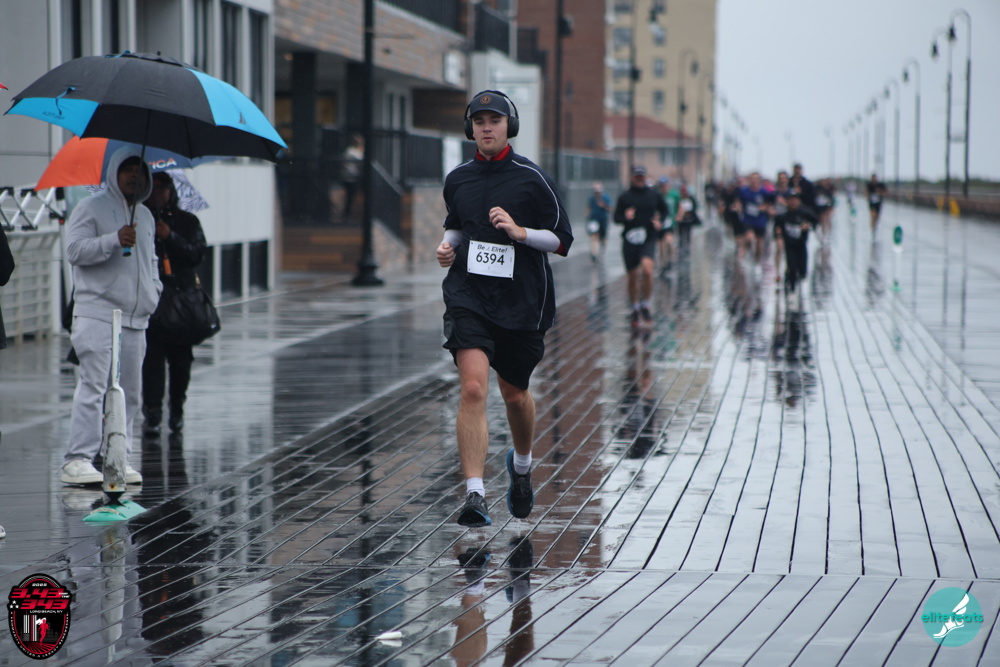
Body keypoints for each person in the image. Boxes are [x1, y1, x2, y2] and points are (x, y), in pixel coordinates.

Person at [436, 90, 573, 527]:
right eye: (479, 122)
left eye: (494, 121)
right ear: (470, 128)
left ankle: (522, 466)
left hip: (521, 301)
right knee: (474, 388)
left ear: (508, 126)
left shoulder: (533, 178)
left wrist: (519, 232)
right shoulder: (458, 179)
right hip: (469, 295)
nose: (486, 128)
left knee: (514, 395)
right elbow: (456, 226)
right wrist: (446, 247)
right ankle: (475, 494)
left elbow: (562, 240)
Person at [61, 147, 160, 485]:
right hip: (98, 312)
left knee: (130, 393)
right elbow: (74, 251)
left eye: (140, 170)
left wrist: (153, 292)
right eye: (128, 169)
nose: (134, 175)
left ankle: (118, 457)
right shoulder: (91, 207)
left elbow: (151, 261)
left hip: (136, 318)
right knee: (94, 386)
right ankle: (77, 459)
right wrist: (113, 240)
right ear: (114, 173)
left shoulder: (146, 216)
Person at [141, 172, 208, 436]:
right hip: (152, 305)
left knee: (181, 364)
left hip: (181, 307)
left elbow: (197, 254)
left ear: (171, 190)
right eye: (153, 187)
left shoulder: (187, 221)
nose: (157, 192)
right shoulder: (138, 219)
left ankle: (177, 408)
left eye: (163, 187)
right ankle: (152, 412)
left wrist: (171, 237)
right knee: (152, 363)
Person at [614, 165, 668, 325]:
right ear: (632, 177)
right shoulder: (625, 196)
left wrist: (660, 221)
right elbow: (616, 218)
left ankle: (645, 304)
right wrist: (625, 217)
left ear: (645, 177)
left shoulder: (653, 195)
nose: (639, 179)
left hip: (648, 237)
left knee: (647, 269)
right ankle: (635, 307)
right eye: (637, 176)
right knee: (632, 276)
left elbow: (665, 211)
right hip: (630, 239)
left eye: (641, 176)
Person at [773, 188, 818, 301]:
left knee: (802, 271)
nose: (793, 202)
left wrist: (808, 226)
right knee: (792, 267)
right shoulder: (783, 215)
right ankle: (792, 289)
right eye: (790, 200)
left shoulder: (805, 213)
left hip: (801, 245)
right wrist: (778, 234)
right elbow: (776, 227)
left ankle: (796, 278)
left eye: (795, 199)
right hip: (789, 245)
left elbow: (815, 221)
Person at [736, 171, 771, 262]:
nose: (754, 181)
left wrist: (765, 207)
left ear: (759, 180)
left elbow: (769, 203)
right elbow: (738, 201)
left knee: (759, 245)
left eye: (756, 179)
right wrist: (738, 206)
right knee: (749, 238)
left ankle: (757, 261)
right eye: (752, 179)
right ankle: (747, 253)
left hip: (760, 220)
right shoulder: (744, 191)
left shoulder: (764, 192)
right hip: (748, 220)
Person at [586, 182, 612, 262]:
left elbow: (610, 208)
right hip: (594, 220)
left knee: (603, 238)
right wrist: (587, 213)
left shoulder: (606, 198)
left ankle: (600, 249)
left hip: (603, 220)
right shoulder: (591, 198)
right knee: (594, 236)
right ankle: (594, 253)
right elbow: (589, 207)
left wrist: (603, 205)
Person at [655, 176, 677, 274]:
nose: (664, 187)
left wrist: (678, 215)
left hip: (670, 222)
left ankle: (670, 259)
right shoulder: (658, 196)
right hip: (660, 223)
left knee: (669, 242)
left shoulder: (674, 195)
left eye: (665, 185)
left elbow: (680, 205)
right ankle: (663, 263)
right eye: (662, 185)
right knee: (661, 246)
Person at [340, 133, 363, 219]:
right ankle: (347, 214)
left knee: (351, 196)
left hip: (352, 176)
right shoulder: (352, 151)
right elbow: (360, 160)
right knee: (350, 196)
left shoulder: (351, 151)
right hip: (350, 177)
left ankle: (348, 213)